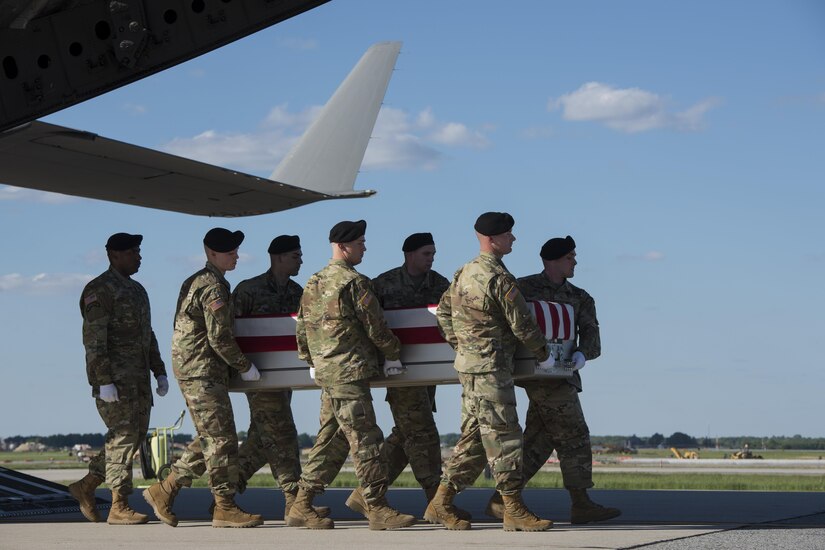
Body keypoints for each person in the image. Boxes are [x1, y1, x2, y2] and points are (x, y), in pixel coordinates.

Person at [426, 212, 554, 531]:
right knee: (505, 433)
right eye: (509, 234)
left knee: (474, 439)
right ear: (492, 239)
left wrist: (462, 343)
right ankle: (513, 508)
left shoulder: (464, 272)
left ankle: (441, 503)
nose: (514, 239)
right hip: (491, 369)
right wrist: (543, 353)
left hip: (470, 368)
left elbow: (442, 311)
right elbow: (522, 324)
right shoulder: (498, 277)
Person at [287, 220, 417, 531]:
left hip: (329, 373)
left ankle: (301, 505)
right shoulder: (354, 283)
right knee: (366, 439)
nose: (365, 247)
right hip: (349, 371)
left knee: (331, 440)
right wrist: (395, 352)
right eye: (360, 243)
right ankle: (377, 507)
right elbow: (376, 328)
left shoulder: (313, 282)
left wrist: (313, 360)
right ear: (344, 247)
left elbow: (301, 330)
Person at [486, 236, 620, 524]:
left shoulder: (581, 297)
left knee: (540, 440)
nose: (575, 262)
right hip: (537, 376)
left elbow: (592, 337)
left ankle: (502, 499)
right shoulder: (523, 288)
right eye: (570, 257)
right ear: (552, 260)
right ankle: (581, 502)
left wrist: (582, 355)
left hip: (562, 375)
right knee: (574, 433)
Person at [142, 228, 263, 528]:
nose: (236, 255)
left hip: (198, 367)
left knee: (211, 436)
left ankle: (165, 489)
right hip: (202, 369)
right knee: (221, 438)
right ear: (211, 253)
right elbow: (220, 337)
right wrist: (245, 366)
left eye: (236, 250)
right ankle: (224, 506)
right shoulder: (213, 287)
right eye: (230, 251)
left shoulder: (198, 280)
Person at [344, 232, 470, 520]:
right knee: (422, 432)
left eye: (433, 254)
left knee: (406, 434)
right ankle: (434, 499)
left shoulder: (439, 284)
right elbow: (368, 322)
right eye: (426, 254)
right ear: (409, 254)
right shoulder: (383, 284)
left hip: (428, 375)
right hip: (399, 372)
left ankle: (364, 494)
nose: (431, 259)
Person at [68, 233, 168, 525]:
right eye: (133, 252)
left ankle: (85, 486)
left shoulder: (137, 291)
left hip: (138, 380)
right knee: (123, 437)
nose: (139, 256)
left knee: (131, 437)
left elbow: (147, 335)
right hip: (115, 381)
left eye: (138, 251)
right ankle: (119, 505)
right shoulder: (99, 290)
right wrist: (102, 380)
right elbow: (94, 340)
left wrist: (158, 370)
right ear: (114, 255)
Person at [231, 235, 330, 521]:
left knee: (263, 439)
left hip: (285, 378)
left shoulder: (297, 292)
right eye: (295, 256)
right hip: (257, 377)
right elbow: (233, 331)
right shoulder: (248, 290)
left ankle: (223, 494)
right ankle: (294, 501)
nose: (300, 260)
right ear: (278, 258)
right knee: (283, 433)